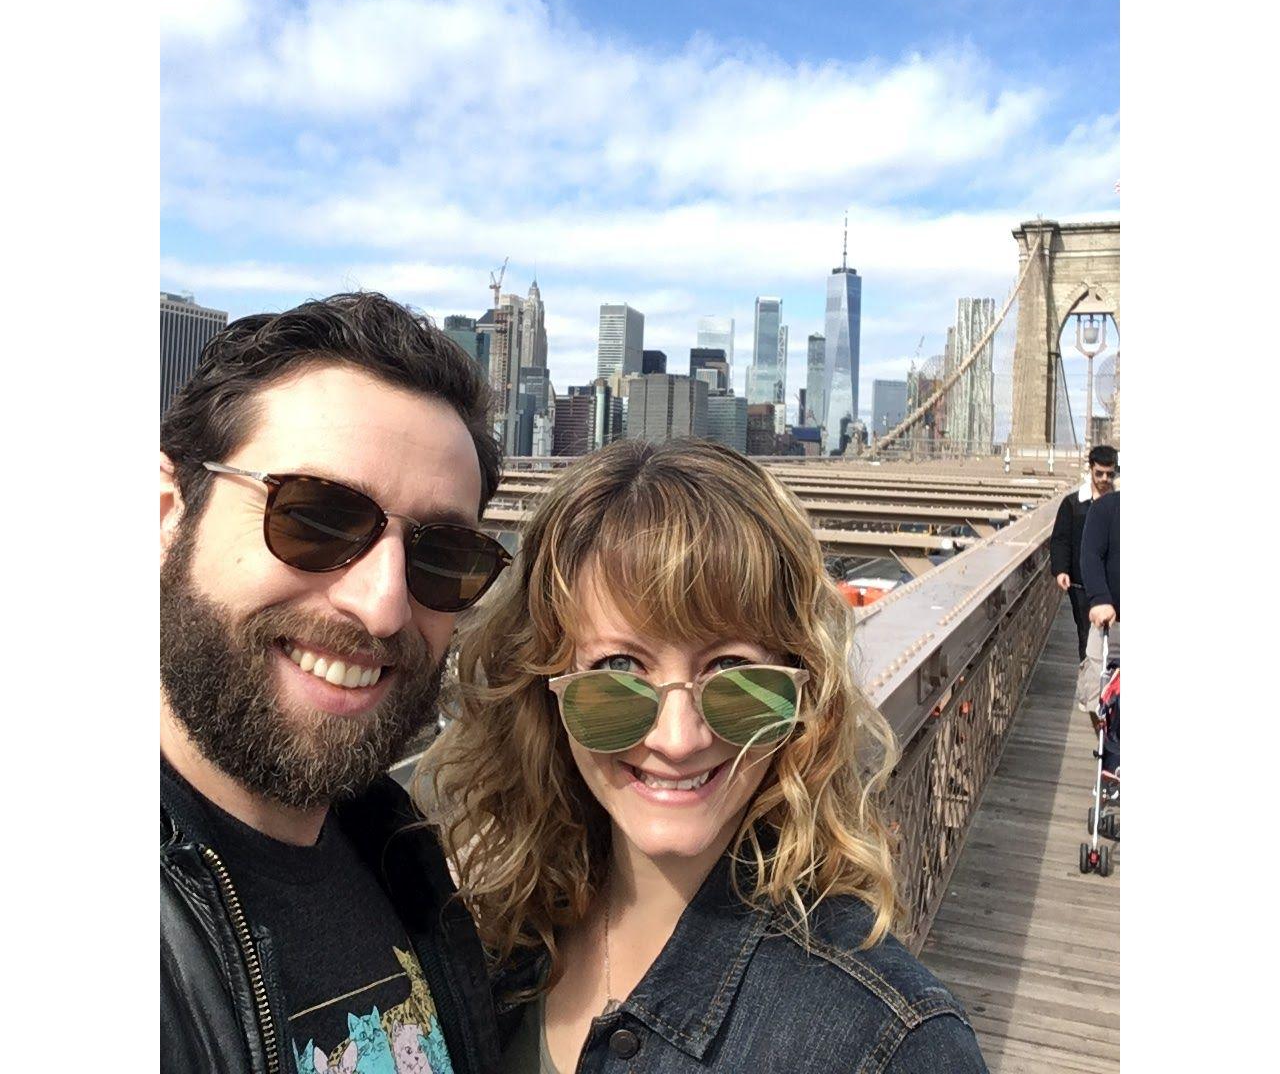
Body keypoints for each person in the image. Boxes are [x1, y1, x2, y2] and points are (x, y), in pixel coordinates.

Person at [419, 439, 989, 1073]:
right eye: (617, 668)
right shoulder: (491, 940)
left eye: (733, 670)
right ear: (545, 693)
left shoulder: (896, 1045)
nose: (678, 737)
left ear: (802, 691)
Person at [160, 292, 511, 1074]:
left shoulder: (404, 856)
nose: (383, 606)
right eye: (315, 518)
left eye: (443, 557)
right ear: (161, 513)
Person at [1050, 445, 1118, 661]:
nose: (1105, 479)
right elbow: (1060, 539)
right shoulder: (1072, 504)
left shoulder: (1119, 506)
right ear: (1090, 470)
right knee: (1085, 633)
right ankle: (1088, 671)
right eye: (1099, 473)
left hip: (1112, 585)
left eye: (1110, 473)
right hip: (1080, 585)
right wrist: (1061, 569)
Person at [1075, 486, 1120, 715]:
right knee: (1095, 697)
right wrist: (1100, 598)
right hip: (1111, 624)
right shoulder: (1106, 509)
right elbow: (1090, 554)